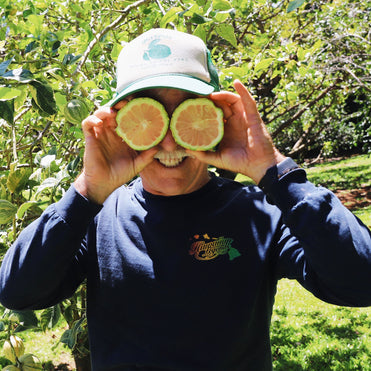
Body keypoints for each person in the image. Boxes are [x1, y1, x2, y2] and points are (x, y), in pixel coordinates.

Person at [0, 28, 370, 371]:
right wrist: (85, 192)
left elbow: (360, 281)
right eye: (149, 116)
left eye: (189, 114)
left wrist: (275, 172)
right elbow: (18, 291)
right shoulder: (96, 217)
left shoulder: (260, 212)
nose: (170, 143)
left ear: (217, 117)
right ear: (120, 124)